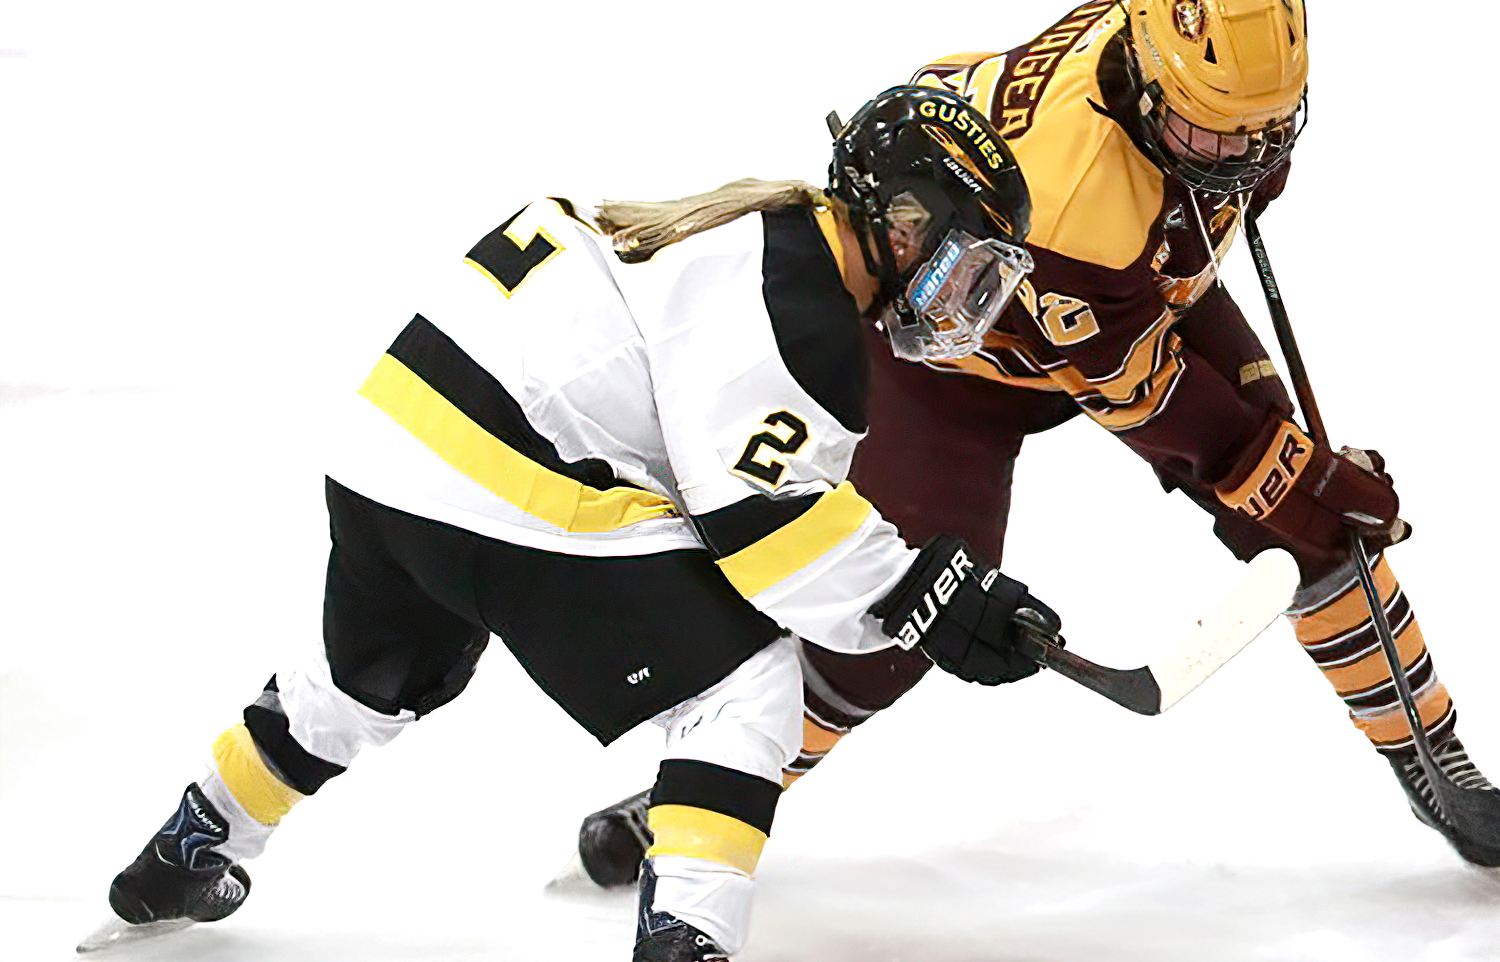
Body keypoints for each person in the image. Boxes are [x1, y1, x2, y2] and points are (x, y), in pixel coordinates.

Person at [577, 0, 1500, 889]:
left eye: (1269, 122)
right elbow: (1162, 403)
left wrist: (1292, 490)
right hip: (951, 349)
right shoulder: (1073, 212)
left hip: (1131, 285)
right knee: (886, 631)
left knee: (1304, 521)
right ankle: (700, 793)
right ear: (1152, 87)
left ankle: (1428, 746)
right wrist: (1284, 469)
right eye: (1217, 133)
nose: (1249, 152)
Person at [89, 85, 1071, 962]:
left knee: (364, 682)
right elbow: (765, 532)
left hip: (387, 450)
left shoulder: (740, 232)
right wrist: (923, 598)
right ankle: (685, 945)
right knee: (742, 693)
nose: (965, 300)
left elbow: (715, 482)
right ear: (902, 221)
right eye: (965, 265)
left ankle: (191, 845)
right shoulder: (799, 304)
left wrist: (912, 590)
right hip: (497, 473)